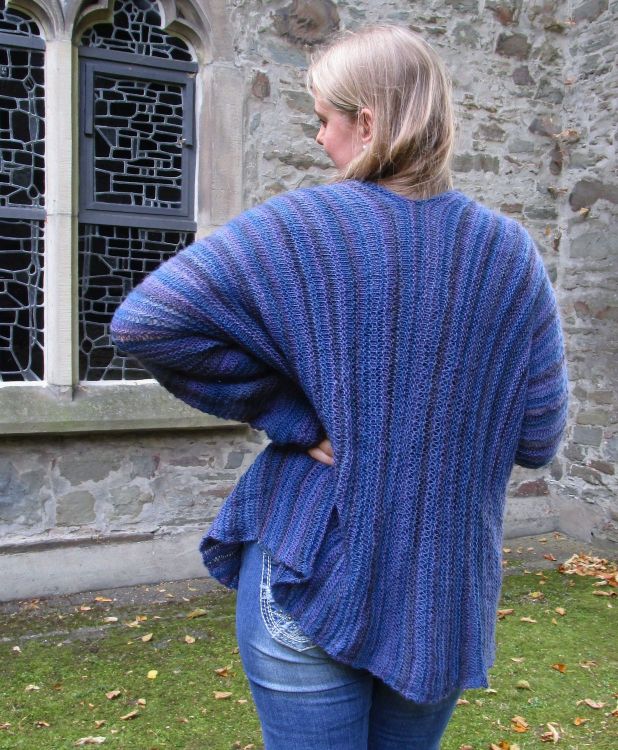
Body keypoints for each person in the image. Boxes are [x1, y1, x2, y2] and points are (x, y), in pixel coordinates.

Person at [110, 25, 568, 750]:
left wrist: (292, 412)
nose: (320, 138)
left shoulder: (300, 228)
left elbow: (148, 322)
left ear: (369, 123)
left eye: (325, 119)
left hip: (313, 563)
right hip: (438, 596)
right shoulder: (509, 254)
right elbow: (539, 437)